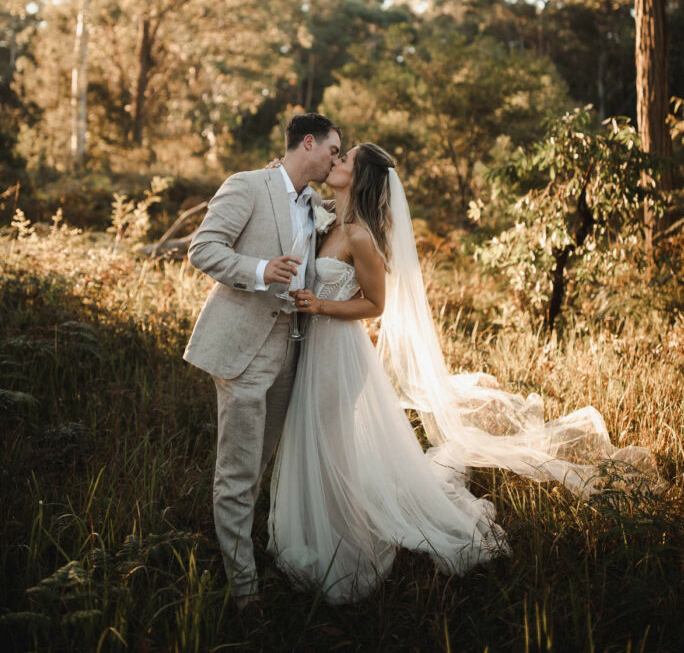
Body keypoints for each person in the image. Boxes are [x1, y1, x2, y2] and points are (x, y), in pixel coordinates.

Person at [268, 143, 659, 604]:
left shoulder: (361, 238)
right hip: (311, 352)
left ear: (362, 178)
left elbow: (376, 305)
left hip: (339, 357)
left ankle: (346, 550)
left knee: (332, 448)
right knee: (310, 440)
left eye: (345, 160)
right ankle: (311, 533)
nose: (334, 162)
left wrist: (323, 305)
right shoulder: (327, 219)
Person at [183, 113, 341, 610]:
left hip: (291, 349)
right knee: (237, 469)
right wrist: (259, 270)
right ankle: (244, 594)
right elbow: (202, 248)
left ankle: (243, 552)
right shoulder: (246, 185)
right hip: (243, 347)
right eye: (333, 149)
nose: (336, 159)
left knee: (262, 465)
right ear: (308, 143)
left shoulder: (315, 204)